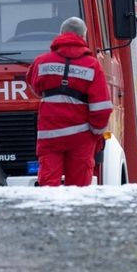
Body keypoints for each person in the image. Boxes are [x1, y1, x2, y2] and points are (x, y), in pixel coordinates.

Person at [25, 17, 112, 186]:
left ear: (61, 34)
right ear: (83, 36)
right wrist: (96, 132)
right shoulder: (92, 65)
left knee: (49, 185)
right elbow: (101, 107)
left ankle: (51, 212)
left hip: (49, 134)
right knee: (78, 188)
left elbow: (35, 87)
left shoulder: (41, 62)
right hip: (81, 136)